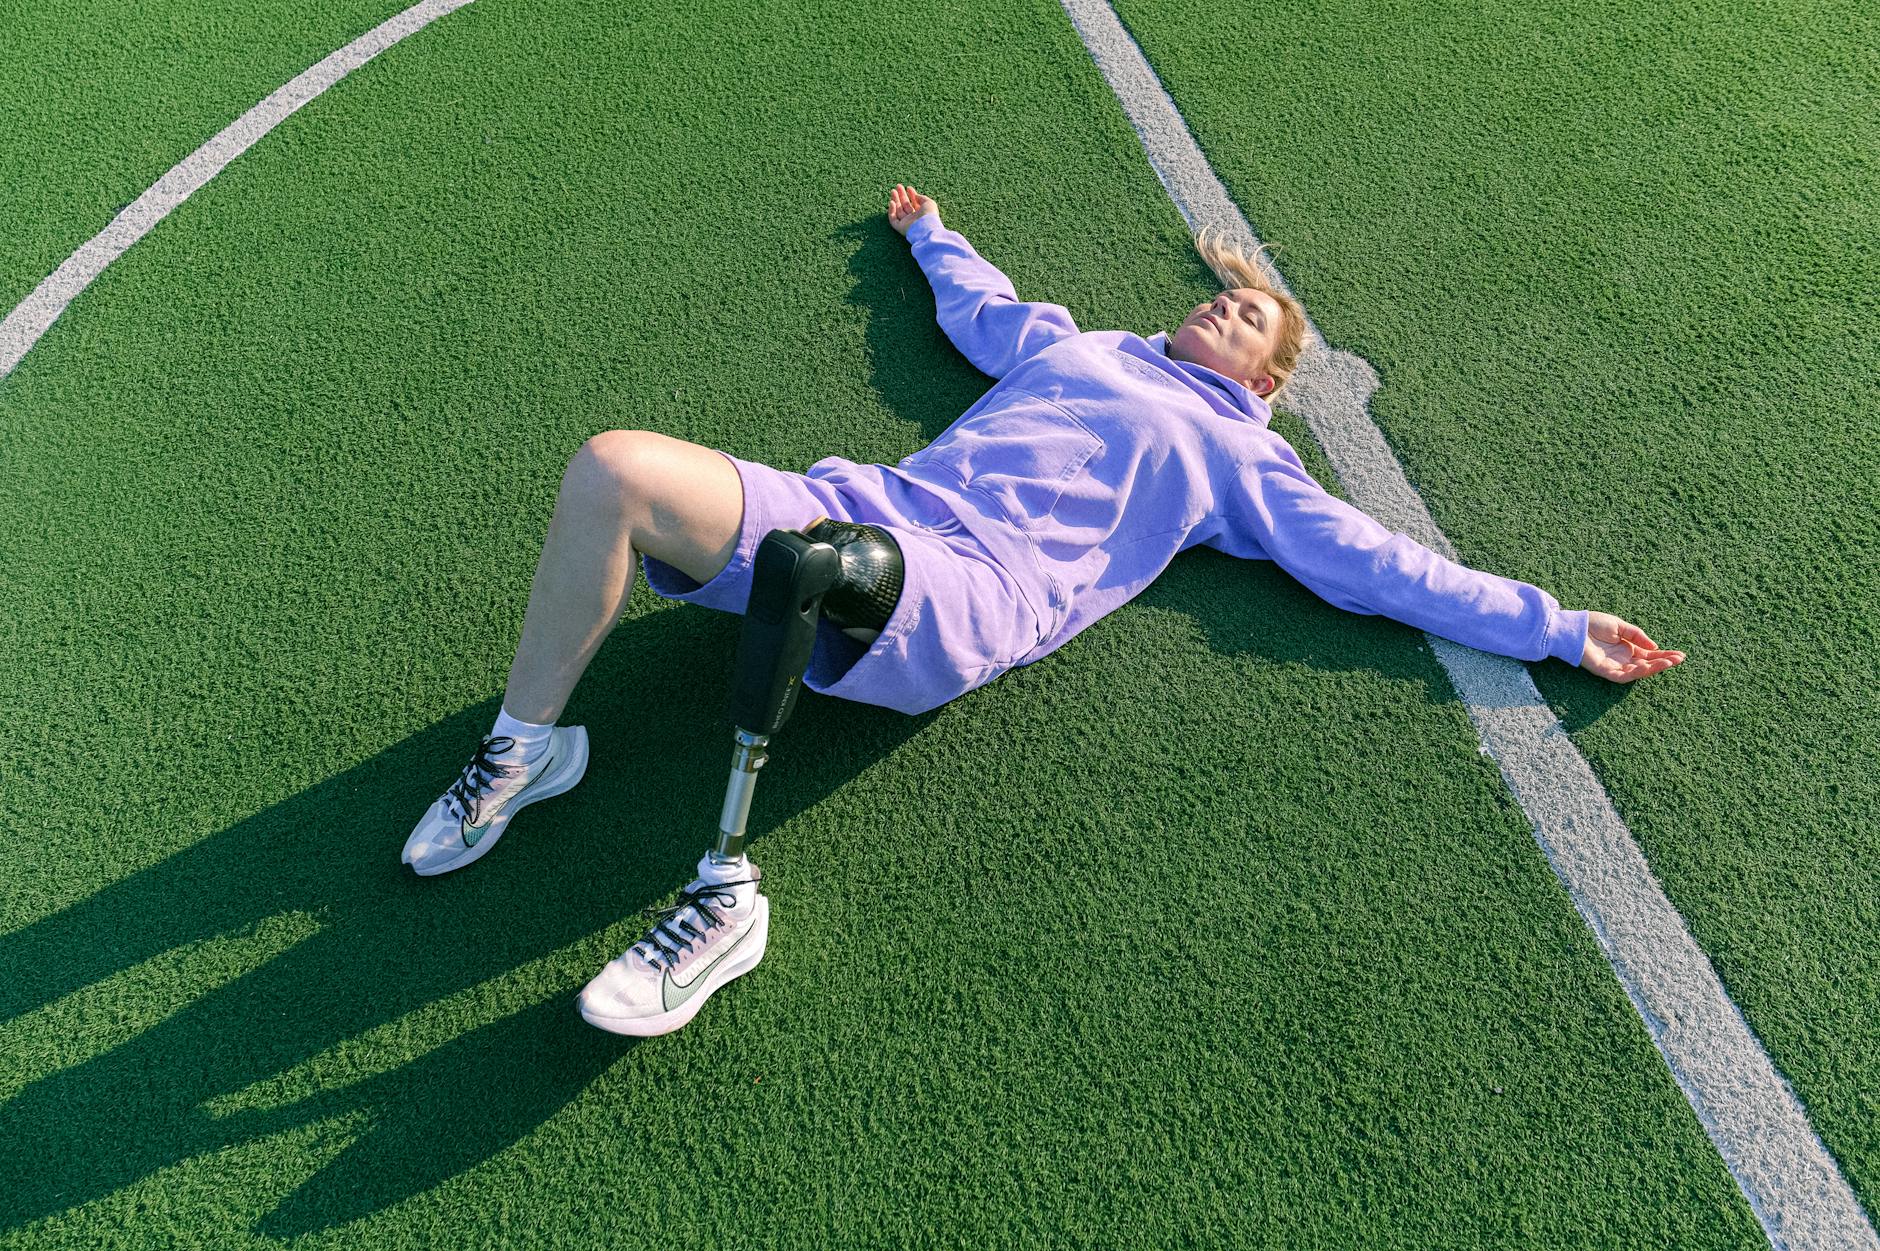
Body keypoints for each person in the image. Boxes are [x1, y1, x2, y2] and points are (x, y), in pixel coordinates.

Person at [401, 182, 1687, 1037]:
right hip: (870, 500)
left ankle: (723, 895)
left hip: (967, 597)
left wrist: (1557, 624)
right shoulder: (1082, 348)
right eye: (1224, 295)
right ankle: (527, 750)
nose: (1220, 308)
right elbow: (982, 310)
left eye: (1246, 318)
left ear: (1270, 379)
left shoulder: (1239, 462)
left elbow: (1375, 562)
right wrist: (926, 232)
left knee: (809, 569)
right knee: (613, 466)